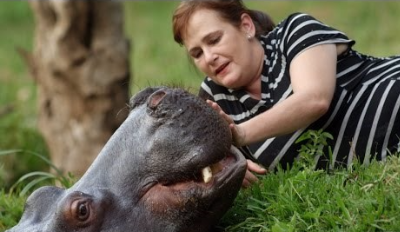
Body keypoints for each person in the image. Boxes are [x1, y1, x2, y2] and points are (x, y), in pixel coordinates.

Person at [172, 0, 400, 187]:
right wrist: (221, 163)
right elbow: (194, 163)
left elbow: (314, 99)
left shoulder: (294, 32)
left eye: (214, 40)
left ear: (246, 26)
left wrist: (238, 133)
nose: (209, 56)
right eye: (197, 53)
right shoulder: (214, 98)